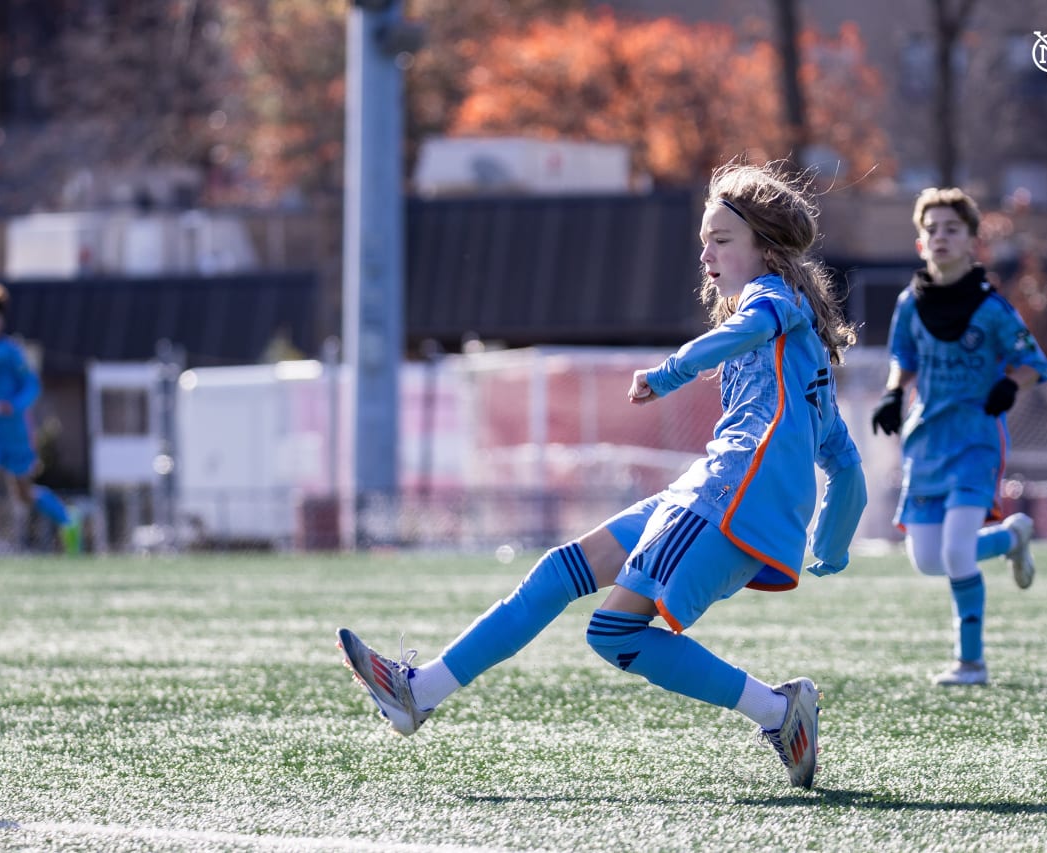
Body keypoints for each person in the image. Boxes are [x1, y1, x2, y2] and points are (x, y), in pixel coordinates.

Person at [338, 161, 867, 790]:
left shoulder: (772, 300)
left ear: (767, 248)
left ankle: (781, 714)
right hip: (712, 494)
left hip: (726, 501)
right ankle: (417, 693)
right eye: (704, 239)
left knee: (615, 633)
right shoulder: (805, 354)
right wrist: (829, 546)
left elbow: (746, 329)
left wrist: (668, 374)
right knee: (559, 570)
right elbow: (846, 464)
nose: (706, 254)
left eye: (721, 240)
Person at [869, 187, 1047, 687]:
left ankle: (970, 662)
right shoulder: (910, 303)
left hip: (975, 442)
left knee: (955, 551)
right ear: (919, 242)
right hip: (926, 444)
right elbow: (902, 358)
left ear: (973, 241)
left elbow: (1034, 364)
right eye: (932, 229)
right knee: (927, 559)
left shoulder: (991, 308)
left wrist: (1007, 387)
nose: (941, 237)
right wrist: (891, 394)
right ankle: (1011, 537)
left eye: (952, 228)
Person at [0, 283, 83, 585]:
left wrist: (14, 405)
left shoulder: (11, 353)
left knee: (22, 494)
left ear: (0, 320)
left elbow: (32, 386)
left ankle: (68, 519)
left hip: (13, 432)